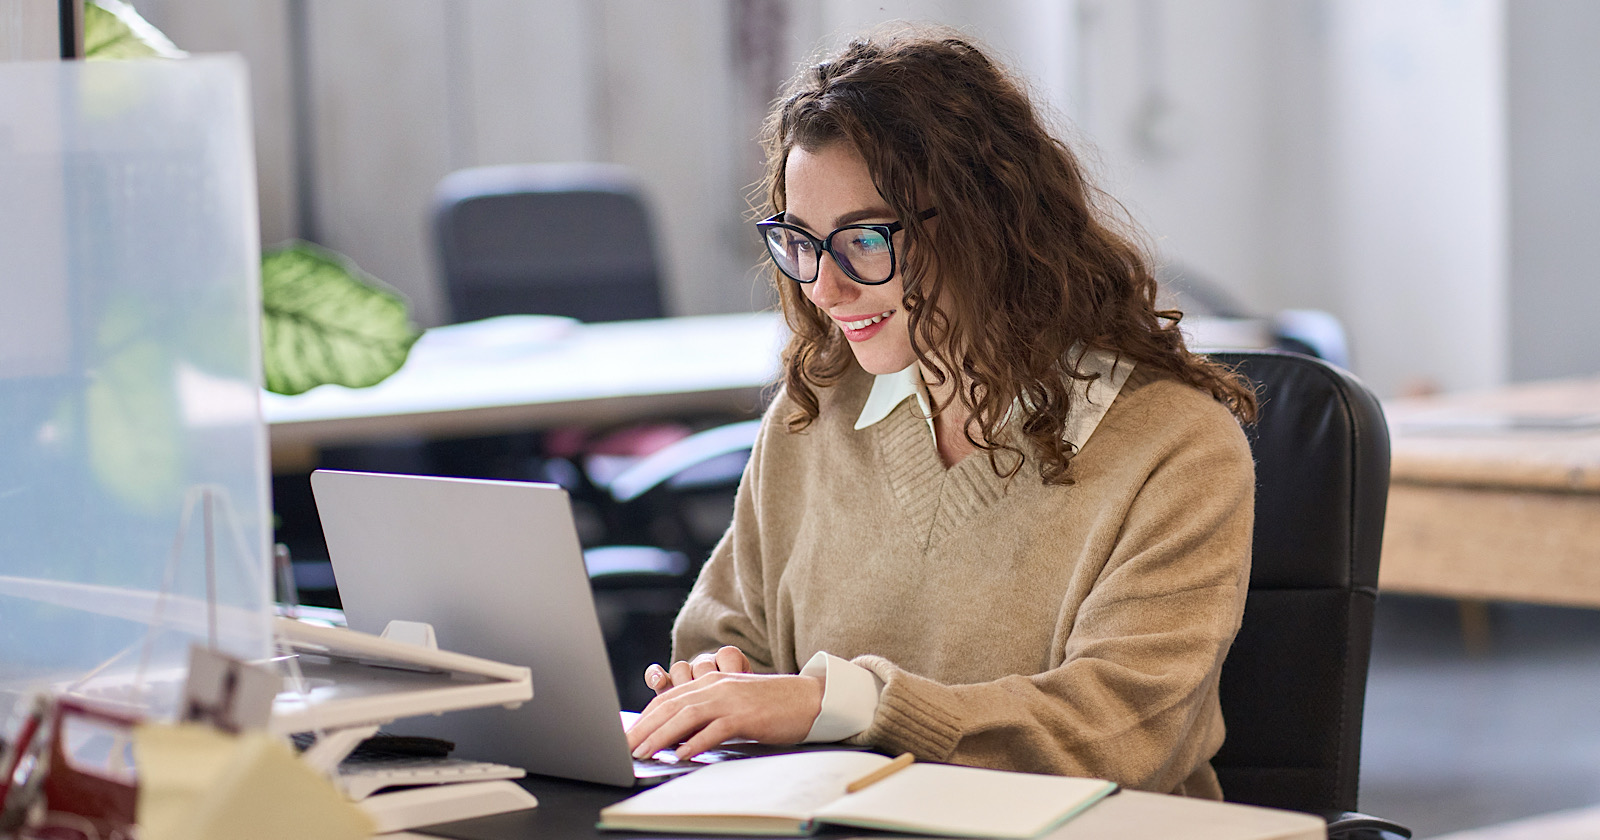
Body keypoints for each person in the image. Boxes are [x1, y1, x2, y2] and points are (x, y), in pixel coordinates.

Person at [623, 26, 1258, 799]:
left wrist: (838, 704)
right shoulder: (814, 414)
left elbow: (1120, 732)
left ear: (986, 221)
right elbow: (727, 637)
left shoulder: (1175, 447)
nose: (825, 289)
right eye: (801, 242)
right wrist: (721, 683)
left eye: (862, 239)